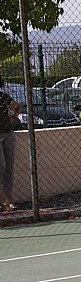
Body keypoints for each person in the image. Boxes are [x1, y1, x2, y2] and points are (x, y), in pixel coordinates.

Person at [0, 76, 20, 212]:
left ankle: (8, 200)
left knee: (9, 167)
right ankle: (3, 201)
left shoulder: (3, 96)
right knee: (1, 167)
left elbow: (17, 107)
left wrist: (13, 117)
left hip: (8, 133)